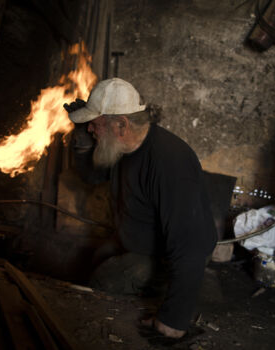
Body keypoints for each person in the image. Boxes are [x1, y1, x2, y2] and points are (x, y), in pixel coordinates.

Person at [65, 78, 217, 339]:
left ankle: (159, 293)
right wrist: (82, 136)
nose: (91, 128)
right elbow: (92, 177)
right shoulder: (124, 145)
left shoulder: (169, 163)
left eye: (95, 124)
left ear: (121, 124)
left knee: (103, 280)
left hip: (167, 254)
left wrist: (173, 321)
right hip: (136, 240)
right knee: (97, 255)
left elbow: (190, 244)